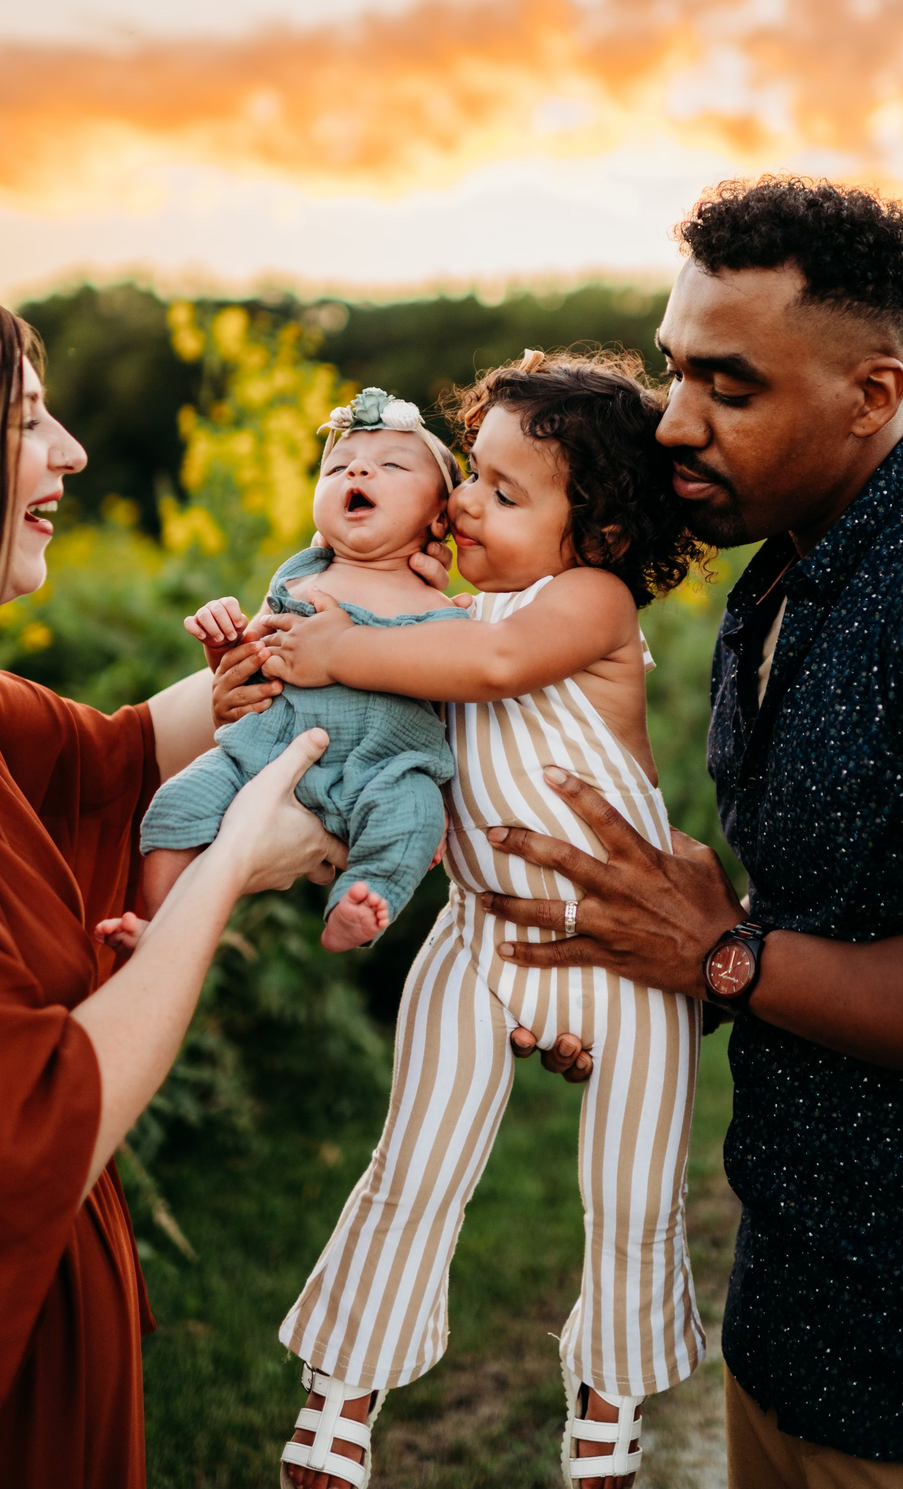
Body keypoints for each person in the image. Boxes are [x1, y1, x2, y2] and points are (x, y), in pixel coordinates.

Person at [474, 179, 903, 1487]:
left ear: (872, 395)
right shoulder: (780, 570)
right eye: (672, 372)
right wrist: (656, 980)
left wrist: (731, 960)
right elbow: (832, 920)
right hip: (796, 1322)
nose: (672, 422)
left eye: (730, 386)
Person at [214, 352, 706, 1489]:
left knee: (633, 1188)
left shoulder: (588, 602)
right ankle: (342, 1392)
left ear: (604, 530)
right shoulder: (441, 608)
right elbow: (398, 650)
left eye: (502, 490)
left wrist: (347, 646)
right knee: (415, 1160)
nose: (465, 503)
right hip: (480, 934)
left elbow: (489, 661)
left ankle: (608, 1399)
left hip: (626, 949)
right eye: (468, 478)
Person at [0, 278, 352, 1489]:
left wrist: (352, 622)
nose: (74, 450)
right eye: (30, 420)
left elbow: (118, 756)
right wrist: (229, 867)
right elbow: (45, 1117)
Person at [100, 385, 470, 957]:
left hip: (384, 768)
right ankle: (163, 927)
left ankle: (358, 903)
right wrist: (224, 641)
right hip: (262, 751)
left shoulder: (445, 609)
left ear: (439, 518)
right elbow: (247, 668)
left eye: (392, 465)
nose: (360, 469)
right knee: (175, 805)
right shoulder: (299, 580)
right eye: (339, 466)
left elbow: (461, 696)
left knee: (415, 816)